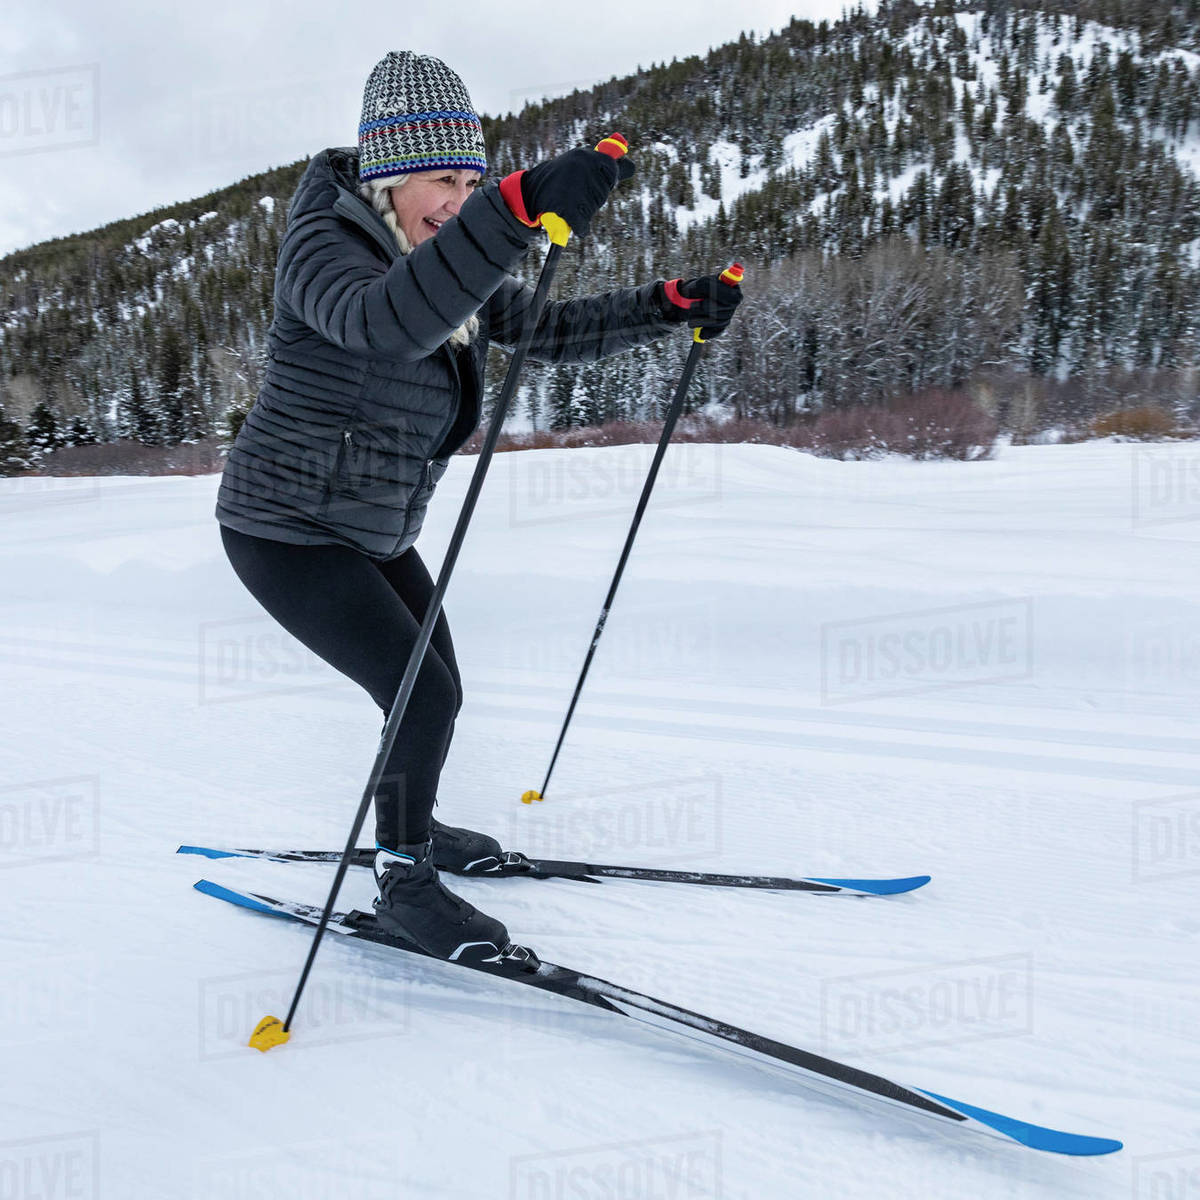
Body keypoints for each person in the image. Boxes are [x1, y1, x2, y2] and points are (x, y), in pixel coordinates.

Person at [214, 50, 742, 960]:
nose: (456, 200)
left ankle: (413, 826)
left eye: (470, 179)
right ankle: (405, 883)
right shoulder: (325, 248)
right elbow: (386, 321)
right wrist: (510, 207)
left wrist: (668, 304)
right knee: (421, 693)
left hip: (372, 527)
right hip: (285, 529)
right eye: (440, 181)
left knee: (437, 692)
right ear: (386, 174)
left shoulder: (436, 258)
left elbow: (544, 326)